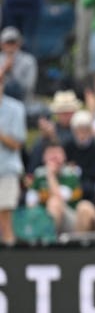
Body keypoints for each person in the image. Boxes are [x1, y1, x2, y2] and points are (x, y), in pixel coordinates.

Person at [0, 71, 26, 246]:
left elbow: (17, 144)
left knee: (5, 217)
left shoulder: (15, 108)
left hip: (7, 169)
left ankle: (9, 258)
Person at [0, 27, 38, 104]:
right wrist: (4, 69)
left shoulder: (29, 60)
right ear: (2, 44)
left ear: (19, 43)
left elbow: (28, 88)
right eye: (8, 43)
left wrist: (12, 72)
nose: (10, 46)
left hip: (23, 102)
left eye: (13, 42)